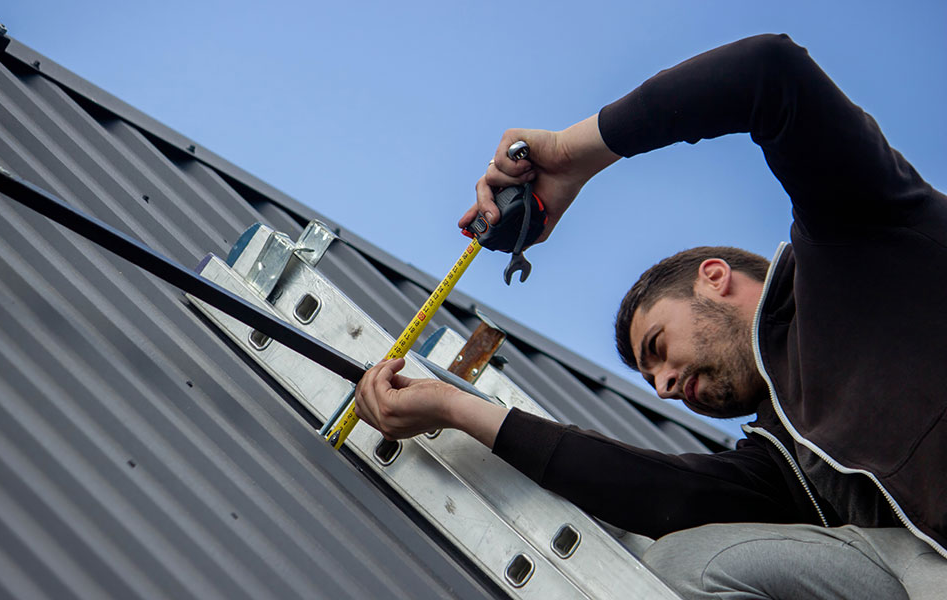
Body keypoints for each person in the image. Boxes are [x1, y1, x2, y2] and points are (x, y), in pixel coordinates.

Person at [353, 34, 947, 599]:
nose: (664, 387)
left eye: (658, 347)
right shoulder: (785, 465)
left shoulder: (854, 244)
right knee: (674, 569)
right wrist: (455, 409)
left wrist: (570, 155)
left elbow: (770, 72)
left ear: (714, 278)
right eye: (652, 379)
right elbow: (662, 494)